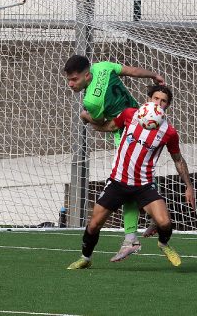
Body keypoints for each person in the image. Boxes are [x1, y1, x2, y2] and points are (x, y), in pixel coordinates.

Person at [67, 86, 195, 269]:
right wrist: (89, 121)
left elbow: (178, 160)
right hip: (117, 181)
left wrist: (188, 186)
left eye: (163, 101)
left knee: (165, 222)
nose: (158, 103)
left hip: (143, 185)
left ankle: (163, 244)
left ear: (168, 106)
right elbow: (110, 126)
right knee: (94, 224)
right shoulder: (130, 114)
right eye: (156, 98)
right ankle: (85, 258)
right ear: (148, 99)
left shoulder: (169, 132)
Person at [64, 54, 165, 262]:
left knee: (126, 184)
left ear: (86, 75)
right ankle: (148, 221)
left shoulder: (91, 100)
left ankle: (133, 238)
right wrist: (154, 75)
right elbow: (133, 72)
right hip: (144, 121)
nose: (70, 84)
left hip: (125, 135)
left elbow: (103, 125)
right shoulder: (103, 66)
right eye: (68, 79)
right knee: (140, 176)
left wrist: (84, 117)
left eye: (74, 79)